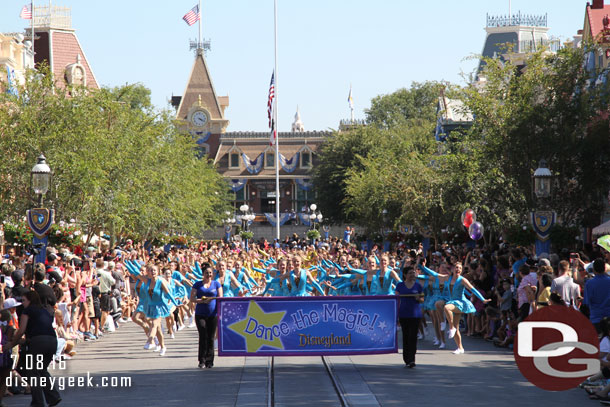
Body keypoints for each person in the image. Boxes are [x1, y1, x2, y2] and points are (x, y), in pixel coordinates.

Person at [7, 291, 61, 407]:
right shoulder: (44, 311)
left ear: (30, 301)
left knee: (33, 372)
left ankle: (38, 402)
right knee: (42, 370)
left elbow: (21, 330)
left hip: (39, 342)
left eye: (24, 300)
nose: (23, 303)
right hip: (52, 340)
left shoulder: (28, 311)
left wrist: (12, 343)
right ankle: (53, 396)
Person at [190, 265, 223, 368]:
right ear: (203, 274)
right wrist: (203, 300)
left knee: (211, 338)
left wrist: (211, 299)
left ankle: (210, 361)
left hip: (213, 314)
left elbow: (220, 297)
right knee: (203, 335)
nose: (208, 275)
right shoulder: (197, 284)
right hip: (200, 314)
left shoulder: (216, 284)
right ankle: (201, 360)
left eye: (210, 273)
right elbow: (192, 298)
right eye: (206, 273)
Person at [395, 267, 423, 368]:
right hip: (403, 314)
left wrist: (418, 298)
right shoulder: (400, 285)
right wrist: (396, 315)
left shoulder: (418, 286)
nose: (412, 275)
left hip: (415, 315)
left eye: (413, 273)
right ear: (405, 275)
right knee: (406, 336)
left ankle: (412, 359)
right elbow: (396, 299)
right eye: (410, 273)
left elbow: (423, 299)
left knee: (413, 337)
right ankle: (406, 358)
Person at [584, 258, 610, 332]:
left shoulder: (589, 284)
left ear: (594, 269)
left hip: (596, 318)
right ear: (605, 268)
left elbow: (586, 303)